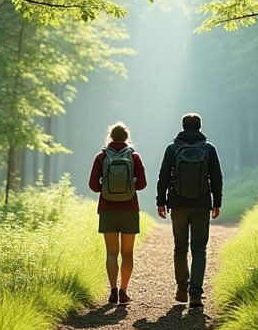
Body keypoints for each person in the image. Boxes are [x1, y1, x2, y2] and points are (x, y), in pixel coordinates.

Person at [156, 113, 223, 308]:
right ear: (200, 126)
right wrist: (216, 202)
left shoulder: (172, 148)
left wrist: (161, 201)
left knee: (180, 247)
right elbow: (217, 177)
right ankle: (195, 294)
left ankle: (181, 289)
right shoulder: (208, 149)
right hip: (202, 203)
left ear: (183, 126)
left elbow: (163, 176)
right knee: (199, 249)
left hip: (177, 203)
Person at [89, 122, 147, 305]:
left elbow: (93, 186)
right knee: (127, 253)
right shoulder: (134, 156)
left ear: (111, 137)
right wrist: (129, 186)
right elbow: (142, 184)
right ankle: (124, 291)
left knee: (111, 252)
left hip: (107, 209)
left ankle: (113, 291)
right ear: (126, 137)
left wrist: (106, 187)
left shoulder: (101, 156)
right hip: (130, 209)